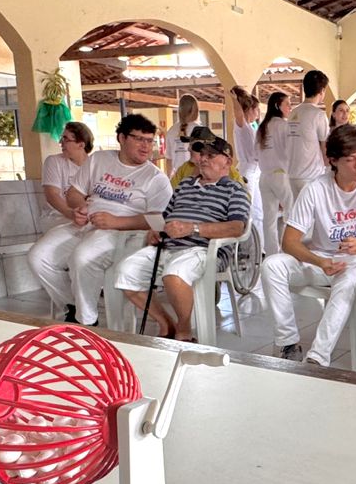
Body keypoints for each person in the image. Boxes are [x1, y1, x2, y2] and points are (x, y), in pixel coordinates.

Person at [260, 124, 356, 367]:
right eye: (351, 160)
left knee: (347, 280)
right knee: (271, 266)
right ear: (333, 161)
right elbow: (289, 241)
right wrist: (320, 261)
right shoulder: (316, 188)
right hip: (321, 260)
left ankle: (318, 357)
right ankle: (288, 343)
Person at [26, 114, 171, 323]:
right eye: (139, 139)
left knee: (83, 257)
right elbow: (73, 194)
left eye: (150, 141)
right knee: (38, 256)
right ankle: (73, 306)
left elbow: (159, 221)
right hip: (85, 224)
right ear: (122, 138)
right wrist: (79, 208)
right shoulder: (99, 159)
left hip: (121, 233)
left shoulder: (156, 178)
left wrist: (117, 222)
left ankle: (86, 321)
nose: (146, 146)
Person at [115, 134, 250, 341]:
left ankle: (184, 331)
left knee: (174, 275)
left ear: (227, 161)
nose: (203, 159)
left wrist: (193, 229)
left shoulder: (234, 189)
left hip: (203, 250)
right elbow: (166, 217)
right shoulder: (185, 185)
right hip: (167, 246)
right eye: (202, 154)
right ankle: (166, 323)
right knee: (125, 273)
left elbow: (237, 227)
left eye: (211, 155)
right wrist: (156, 230)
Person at [255, 91, 293, 255]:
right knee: (291, 214)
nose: (290, 107)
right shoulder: (284, 126)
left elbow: (256, 154)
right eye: (287, 104)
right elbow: (291, 152)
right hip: (281, 175)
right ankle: (289, 252)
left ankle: (271, 254)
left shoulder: (262, 127)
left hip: (265, 176)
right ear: (278, 106)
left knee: (269, 219)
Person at [229, 85, 264, 245]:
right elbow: (238, 113)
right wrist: (235, 100)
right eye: (256, 109)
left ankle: (259, 247)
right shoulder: (242, 126)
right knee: (250, 211)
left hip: (255, 172)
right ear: (249, 110)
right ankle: (248, 246)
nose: (258, 112)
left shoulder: (252, 127)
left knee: (258, 212)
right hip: (247, 172)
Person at [41, 120, 92, 226]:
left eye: (65, 139)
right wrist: (71, 214)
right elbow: (52, 195)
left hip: (88, 217)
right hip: (58, 216)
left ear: (81, 145)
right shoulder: (54, 161)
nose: (60, 142)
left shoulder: (94, 165)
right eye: (61, 138)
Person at [163, 95, 201, 175]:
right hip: (196, 176)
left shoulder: (171, 131)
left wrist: (169, 178)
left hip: (177, 176)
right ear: (195, 110)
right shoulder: (200, 130)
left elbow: (169, 159)